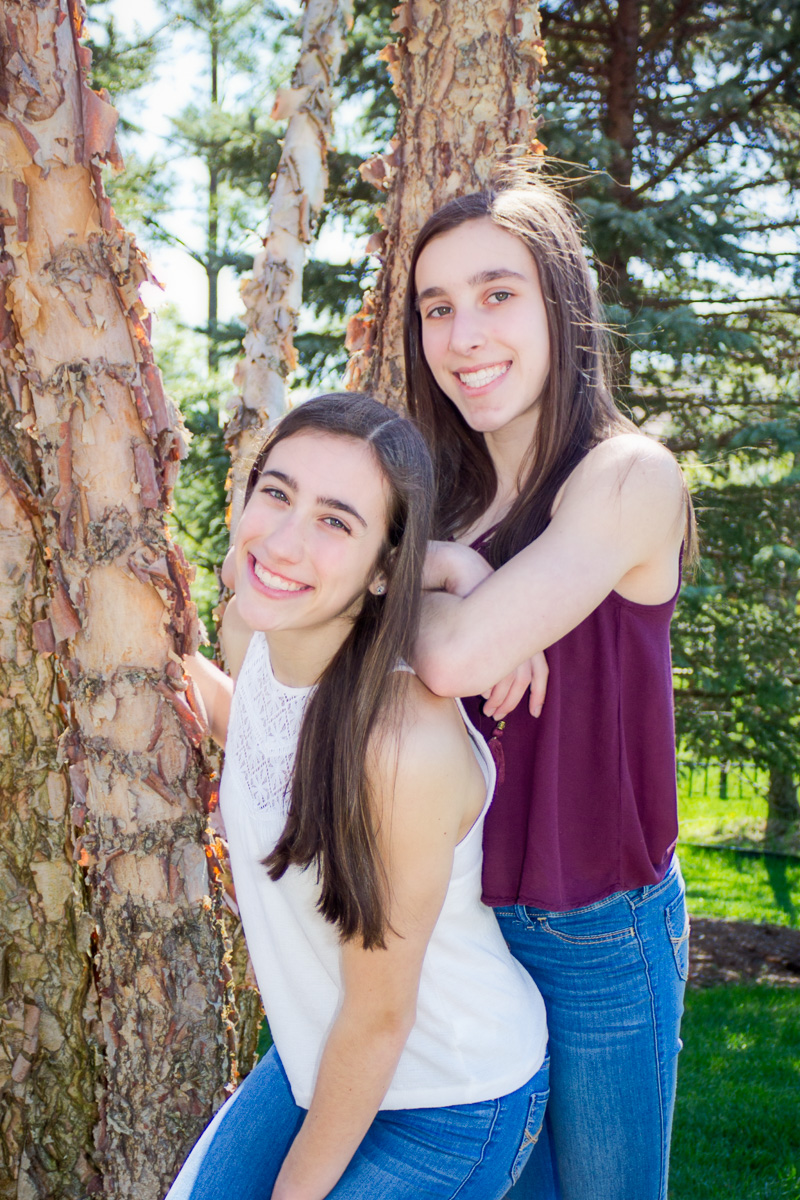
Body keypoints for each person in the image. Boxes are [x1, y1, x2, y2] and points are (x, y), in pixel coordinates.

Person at [168, 393, 550, 1200]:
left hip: (448, 1093)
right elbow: (270, 735)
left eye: (336, 522)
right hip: (320, 1049)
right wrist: (455, 565)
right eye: (276, 493)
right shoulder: (254, 627)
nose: (283, 541)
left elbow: (380, 1020)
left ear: (384, 570)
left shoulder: (400, 748)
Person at [404, 171, 693, 1200]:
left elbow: (447, 659)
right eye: (437, 307)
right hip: (460, 926)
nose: (464, 334)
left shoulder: (627, 477)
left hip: (597, 934)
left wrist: (433, 589)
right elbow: (310, 597)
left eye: (497, 294)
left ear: (560, 304)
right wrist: (454, 567)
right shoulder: (443, 503)